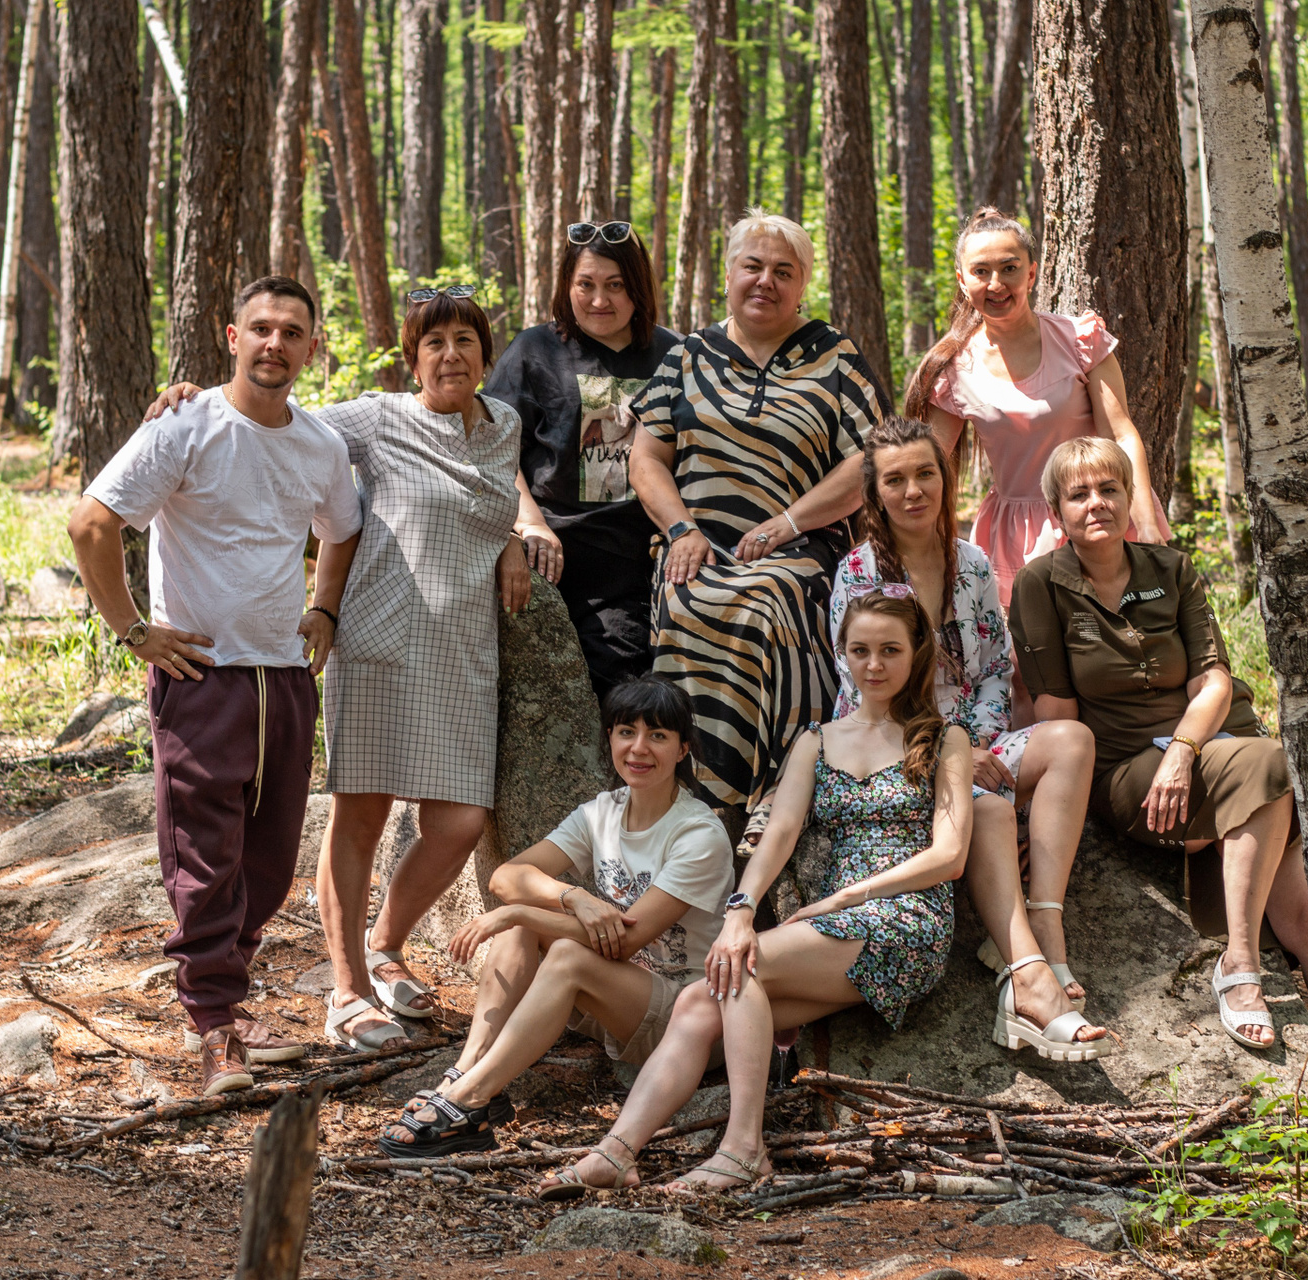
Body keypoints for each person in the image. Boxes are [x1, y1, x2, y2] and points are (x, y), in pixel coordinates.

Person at [143, 285, 557, 1050]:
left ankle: (385, 944)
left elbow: (493, 490)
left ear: (486, 356)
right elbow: (270, 417)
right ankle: (347, 988)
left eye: (465, 341)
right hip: (376, 644)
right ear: (412, 360)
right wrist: (196, 398)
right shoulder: (378, 418)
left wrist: (512, 536)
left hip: (464, 652)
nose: (450, 355)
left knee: (459, 821)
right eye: (433, 344)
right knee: (361, 820)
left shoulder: (503, 426)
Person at [536, 588, 975, 1196]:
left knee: (738, 969)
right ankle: (616, 1152)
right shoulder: (817, 739)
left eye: (890, 650)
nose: (874, 664)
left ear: (917, 652)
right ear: (842, 653)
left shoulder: (946, 738)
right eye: (860, 650)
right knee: (701, 1000)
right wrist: (740, 911)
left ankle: (744, 1149)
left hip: (903, 919)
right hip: (832, 930)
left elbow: (949, 856)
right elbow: (780, 834)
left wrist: (847, 897)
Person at [68, 276, 363, 1095]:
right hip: (200, 677)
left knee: (267, 863)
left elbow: (342, 530)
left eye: (292, 332)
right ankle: (214, 1028)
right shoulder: (184, 425)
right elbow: (91, 523)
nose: (275, 343)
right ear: (233, 338)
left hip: (285, 678)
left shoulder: (320, 444)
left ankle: (230, 1004)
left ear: (312, 347)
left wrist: (324, 608)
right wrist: (134, 631)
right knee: (204, 858)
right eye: (260, 328)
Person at [1010, 437, 1308, 1050]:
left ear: (1131, 498)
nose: (1096, 503)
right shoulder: (1039, 584)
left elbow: (1213, 679)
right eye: (1079, 494)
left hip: (1213, 745)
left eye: (1110, 489)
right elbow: (1057, 715)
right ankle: (1239, 964)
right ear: (1056, 511)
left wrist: (1182, 751)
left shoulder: (1172, 569)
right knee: (1269, 764)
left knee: (1307, 925)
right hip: (1127, 769)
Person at [831, 417, 1109, 1054]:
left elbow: (992, 673)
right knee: (986, 805)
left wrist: (976, 745)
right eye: (895, 480)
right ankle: (1027, 968)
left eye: (925, 473)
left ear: (946, 477)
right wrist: (952, 756)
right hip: (896, 751)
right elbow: (864, 692)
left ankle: (1044, 917)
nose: (913, 491)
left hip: (975, 742)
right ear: (874, 493)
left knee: (1071, 740)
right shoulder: (858, 574)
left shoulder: (974, 562)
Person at [374, 676, 734, 1158]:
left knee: (555, 946)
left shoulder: (698, 834)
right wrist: (572, 897)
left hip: (687, 1019)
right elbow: (507, 876)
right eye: (626, 732)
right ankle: (468, 1071)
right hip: (619, 997)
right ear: (609, 738)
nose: (638, 748)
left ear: (683, 748)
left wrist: (520, 912)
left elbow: (627, 940)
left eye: (658, 735)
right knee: (526, 925)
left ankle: (467, 1100)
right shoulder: (602, 812)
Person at [628, 208, 887, 824]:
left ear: (802, 286)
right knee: (687, 595)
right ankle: (690, 798)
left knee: (771, 597)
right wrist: (681, 529)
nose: (765, 281)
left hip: (799, 545)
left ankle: (781, 788)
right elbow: (645, 458)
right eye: (753, 266)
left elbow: (869, 461)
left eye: (783, 271)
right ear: (728, 274)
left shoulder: (835, 356)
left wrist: (788, 523)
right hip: (695, 542)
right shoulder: (688, 355)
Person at [908, 208, 1170, 607]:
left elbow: (1120, 435)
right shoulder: (954, 370)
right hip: (1019, 536)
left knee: (1125, 635)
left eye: (1009, 268)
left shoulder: (1079, 340)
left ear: (1031, 274)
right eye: (980, 272)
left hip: (1101, 514)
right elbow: (930, 466)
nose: (996, 284)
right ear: (962, 280)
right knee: (1033, 645)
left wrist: (1147, 526)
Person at [484, 222, 683, 698]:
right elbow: (493, 447)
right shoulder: (534, 351)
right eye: (586, 285)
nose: (599, 300)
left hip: (634, 563)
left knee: (622, 689)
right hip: (545, 556)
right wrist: (530, 524)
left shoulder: (673, 355)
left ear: (638, 288)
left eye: (615, 285)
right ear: (566, 287)